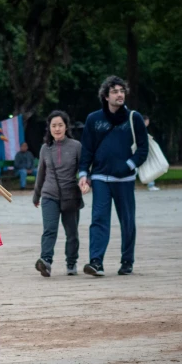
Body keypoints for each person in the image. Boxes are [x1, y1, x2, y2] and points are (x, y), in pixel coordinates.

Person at [78, 76, 148, 277]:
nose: (120, 94)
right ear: (106, 96)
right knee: (98, 219)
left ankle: (127, 260)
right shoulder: (93, 119)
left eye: (122, 91)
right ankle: (96, 262)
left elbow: (143, 148)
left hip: (125, 180)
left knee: (127, 221)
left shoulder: (134, 118)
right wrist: (84, 174)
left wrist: (128, 165)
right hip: (100, 178)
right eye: (115, 91)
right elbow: (87, 150)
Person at [33, 111, 83, 277]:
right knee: (49, 229)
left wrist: (85, 182)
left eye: (60, 125)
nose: (57, 128)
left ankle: (71, 262)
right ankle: (45, 261)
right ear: (49, 128)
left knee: (72, 232)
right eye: (53, 125)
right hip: (49, 195)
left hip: (70, 196)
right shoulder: (45, 149)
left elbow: (83, 169)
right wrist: (36, 195)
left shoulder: (76, 146)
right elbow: (41, 173)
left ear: (66, 126)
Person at [143, 115, 160, 191]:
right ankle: (151, 185)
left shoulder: (141, 129)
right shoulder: (142, 129)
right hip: (143, 151)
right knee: (149, 166)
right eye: (147, 121)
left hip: (143, 151)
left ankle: (151, 184)